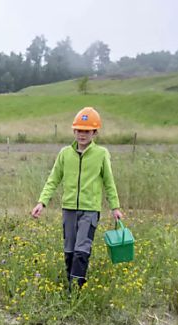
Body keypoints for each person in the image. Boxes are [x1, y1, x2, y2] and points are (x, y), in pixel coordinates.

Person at [31, 107, 123, 290]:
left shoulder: (101, 154)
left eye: (86, 131)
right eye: (79, 130)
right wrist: (42, 202)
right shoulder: (65, 153)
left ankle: (75, 290)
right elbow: (53, 179)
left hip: (90, 210)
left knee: (82, 250)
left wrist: (115, 207)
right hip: (69, 209)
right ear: (74, 131)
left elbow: (109, 182)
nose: (82, 134)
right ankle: (70, 285)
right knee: (69, 250)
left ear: (94, 132)